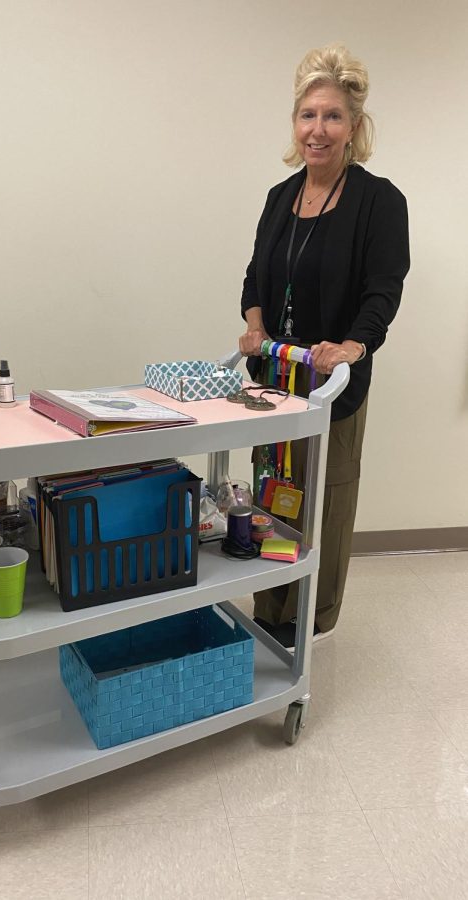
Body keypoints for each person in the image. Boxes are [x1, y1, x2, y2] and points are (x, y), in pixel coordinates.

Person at [238, 43, 410, 649]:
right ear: (295, 124)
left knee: (323, 499)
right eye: (308, 115)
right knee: (273, 490)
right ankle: (272, 601)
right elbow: (254, 278)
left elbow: (382, 290)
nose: (318, 129)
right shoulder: (279, 197)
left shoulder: (379, 201)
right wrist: (256, 326)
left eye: (332, 116)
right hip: (273, 378)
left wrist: (354, 347)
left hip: (331, 382)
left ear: (354, 127)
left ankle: (310, 616)